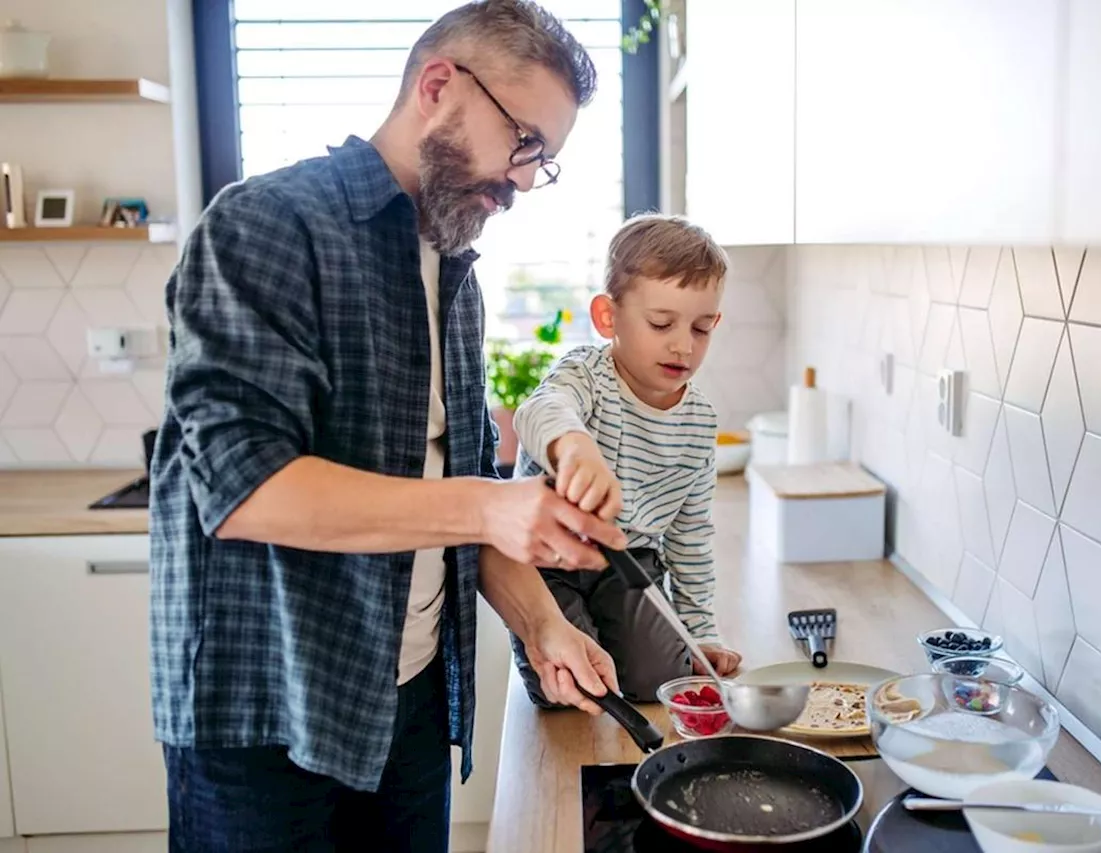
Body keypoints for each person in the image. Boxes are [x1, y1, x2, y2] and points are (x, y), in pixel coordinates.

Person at [148, 2, 628, 851]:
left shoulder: (455, 275)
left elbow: (458, 506)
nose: (523, 178)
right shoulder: (265, 225)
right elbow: (245, 487)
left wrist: (543, 625)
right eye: (523, 141)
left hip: (405, 705)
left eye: (542, 162)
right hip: (266, 718)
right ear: (438, 86)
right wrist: (488, 504)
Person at [509, 213, 744, 707]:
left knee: (659, 682)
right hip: (546, 562)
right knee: (571, 687)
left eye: (701, 329)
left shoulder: (700, 421)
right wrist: (573, 443)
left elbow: (690, 533)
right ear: (607, 318)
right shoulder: (586, 376)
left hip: (629, 562)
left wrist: (701, 631)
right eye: (662, 323)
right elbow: (538, 410)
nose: (683, 344)